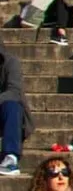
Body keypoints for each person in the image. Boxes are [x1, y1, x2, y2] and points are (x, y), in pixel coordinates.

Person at [0, 43, 33, 176]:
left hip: (7, 115)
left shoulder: (11, 63)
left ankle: (10, 158)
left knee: (12, 105)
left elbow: (14, 92)